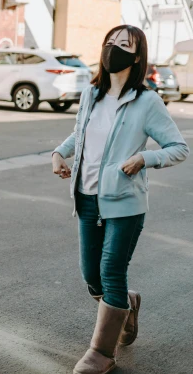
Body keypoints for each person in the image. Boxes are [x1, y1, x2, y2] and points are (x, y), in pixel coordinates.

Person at [52, 25, 188, 374]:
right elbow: (79, 133)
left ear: (137, 56)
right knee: (91, 277)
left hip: (125, 201)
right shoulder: (91, 94)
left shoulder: (147, 101)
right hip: (86, 196)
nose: (113, 48)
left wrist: (145, 158)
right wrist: (59, 153)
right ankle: (126, 305)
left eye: (123, 45)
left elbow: (178, 148)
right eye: (109, 42)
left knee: (111, 271)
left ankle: (101, 353)